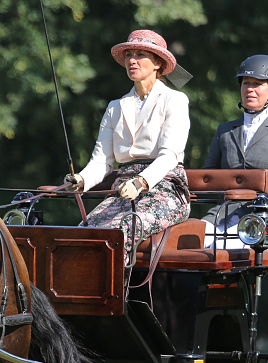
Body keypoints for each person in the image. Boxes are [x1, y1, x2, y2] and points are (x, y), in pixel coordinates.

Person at [65, 29, 191, 264]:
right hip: (123, 191)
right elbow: (102, 160)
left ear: (157, 63)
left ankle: (113, 298)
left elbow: (169, 155)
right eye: (129, 55)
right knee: (80, 234)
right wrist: (81, 180)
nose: (132, 60)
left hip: (165, 191)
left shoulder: (174, 100)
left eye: (140, 54)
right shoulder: (115, 107)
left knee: (119, 233)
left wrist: (142, 181)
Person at [201, 55, 268, 249]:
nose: (249, 89)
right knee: (182, 240)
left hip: (262, 220)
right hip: (221, 215)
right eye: (245, 83)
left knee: (218, 249)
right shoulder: (225, 131)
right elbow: (208, 176)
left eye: (257, 84)